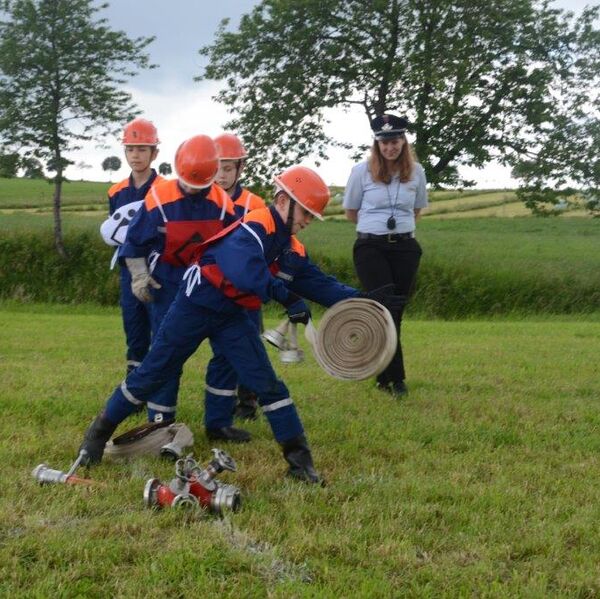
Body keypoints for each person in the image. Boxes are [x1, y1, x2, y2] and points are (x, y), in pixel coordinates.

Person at [78, 166, 403, 483]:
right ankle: (96, 436)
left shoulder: (289, 244)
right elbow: (246, 272)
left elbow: (317, 282)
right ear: (282, 201)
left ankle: (301, 466)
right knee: (153, 372)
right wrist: (288, 298)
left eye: (310, 216)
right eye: (304, 213)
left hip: (232, 315)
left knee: (268, 385)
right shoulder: (254, 225)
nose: (306, 222)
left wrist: (364, 300)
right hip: (195, 304)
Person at [119, 134, 237, 424]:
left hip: (211, 287)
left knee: (226, 351)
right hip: (168, 286)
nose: (190, 191)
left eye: (198, 187)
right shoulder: (158, 198)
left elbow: (236, 248)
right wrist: (139, 276)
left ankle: (219, 424)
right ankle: (160, 420)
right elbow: (134, 243)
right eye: (186, 184)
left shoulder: (223, 204)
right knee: (167, 353)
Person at [343, 114, 428, 396]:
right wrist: (376, 231)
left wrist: (397, 233)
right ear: (376, 144)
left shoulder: (417, 172)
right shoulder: (361, 171)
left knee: (396, 310)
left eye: (395, 141)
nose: (390, 147)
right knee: (385, 308)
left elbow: (416, 210)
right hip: (371, 247)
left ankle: (383, 377)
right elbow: (351, 211)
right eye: (384, 142)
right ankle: (397, 380)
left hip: (405, 247)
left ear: (403, 142)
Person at [101, 118, 164, 375]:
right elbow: (117, 235)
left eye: (142, 149)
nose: (135, 155)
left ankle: (158, 389)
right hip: (128, 272)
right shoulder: (115, 192)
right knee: (134, 331)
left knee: (160, 330)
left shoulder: (165, 189)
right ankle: (134, 389)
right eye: (130, 149)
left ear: (154, 152)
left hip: (159, 271)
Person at [214, 133, 267, 422]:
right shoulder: (203, 200)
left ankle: (247, 403)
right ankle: (220, 402)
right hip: (212, 287)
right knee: (220, 348)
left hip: (246, 289)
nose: (221, 175)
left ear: (239, 169)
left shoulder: (254, 204)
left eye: (228, 168)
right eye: (217, 167)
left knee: (249, 344)